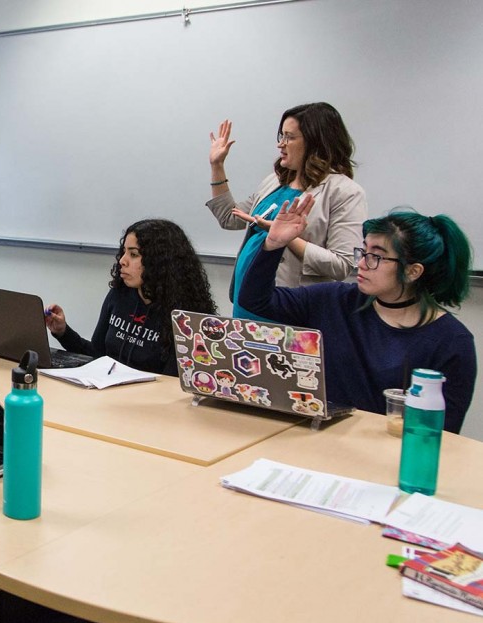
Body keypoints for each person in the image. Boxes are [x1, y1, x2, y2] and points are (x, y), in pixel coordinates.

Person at [239, 198, 476, 433]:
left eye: (376, 256)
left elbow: (442, 434)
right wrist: (274, 243)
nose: (361, 263)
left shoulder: (452, 342)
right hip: (316, 444)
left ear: (413, 271)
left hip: (386, 459)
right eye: (363, 251)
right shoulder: (333, 300)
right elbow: (256, 300)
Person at [207, 102, 367, 319]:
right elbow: (229, 218)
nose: (281, 144)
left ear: (315, 142)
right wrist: (217, 166)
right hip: (246, 303)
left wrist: (286, 238)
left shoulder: (344, 192)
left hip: (287, 309)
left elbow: (341, 265)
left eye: (290, 137)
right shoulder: (274, 182)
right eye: (281, 136)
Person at [45, 219, 217, 376]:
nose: (122, 260)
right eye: (124, 252)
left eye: (133, 254)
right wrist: (63, 332)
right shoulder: (119, 295)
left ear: (160, 262)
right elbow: (98, 354)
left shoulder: (186, 315)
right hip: (108, 395)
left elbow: (172, 384)